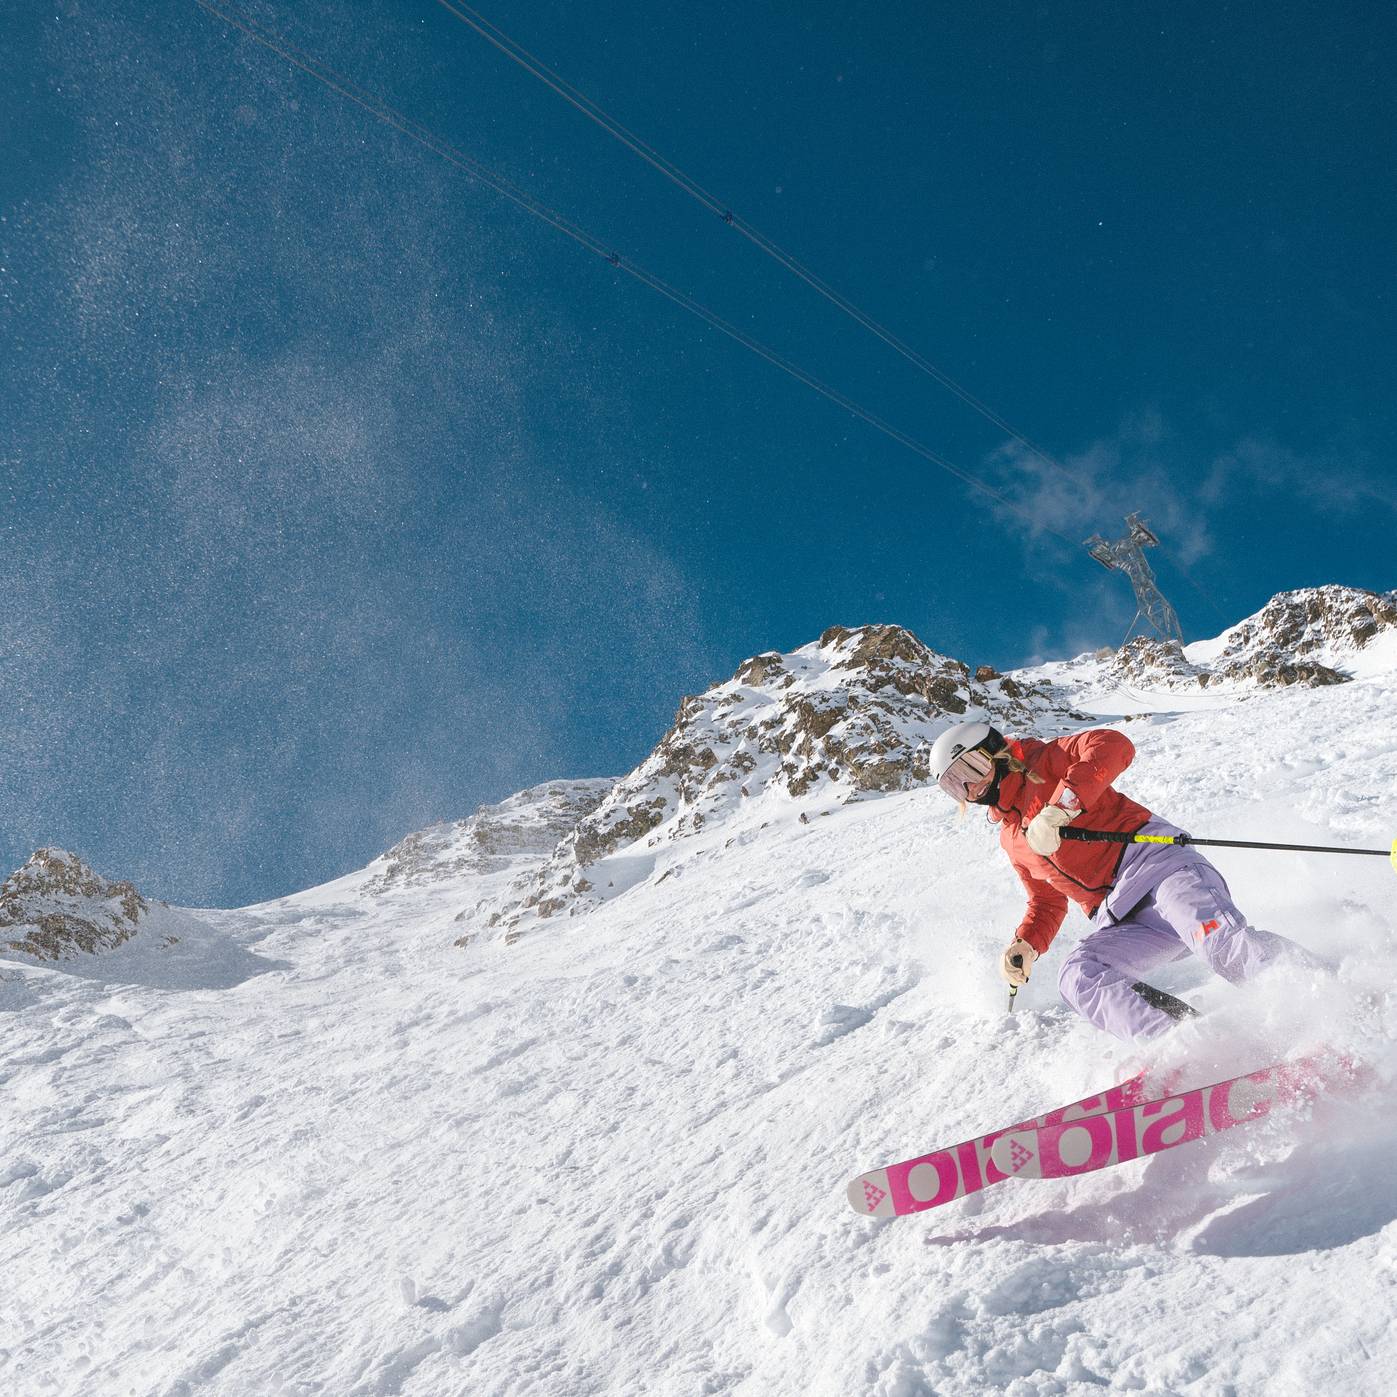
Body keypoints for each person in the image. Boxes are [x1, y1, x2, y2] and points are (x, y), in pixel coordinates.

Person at [928, 721, 1309, 1041]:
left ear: (995, 751)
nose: (971, 788)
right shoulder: (1012, 839)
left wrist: (1063, 807)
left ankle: (1315, 996)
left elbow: (1114, 745)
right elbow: (1046, 901)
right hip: (1125, 918)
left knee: (1215, 941)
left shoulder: (1047, 760)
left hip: (1161, 871)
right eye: (956, 785)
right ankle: (1186, 1044)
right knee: (1079, 975)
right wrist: (1025, 944)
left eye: (972, 770)